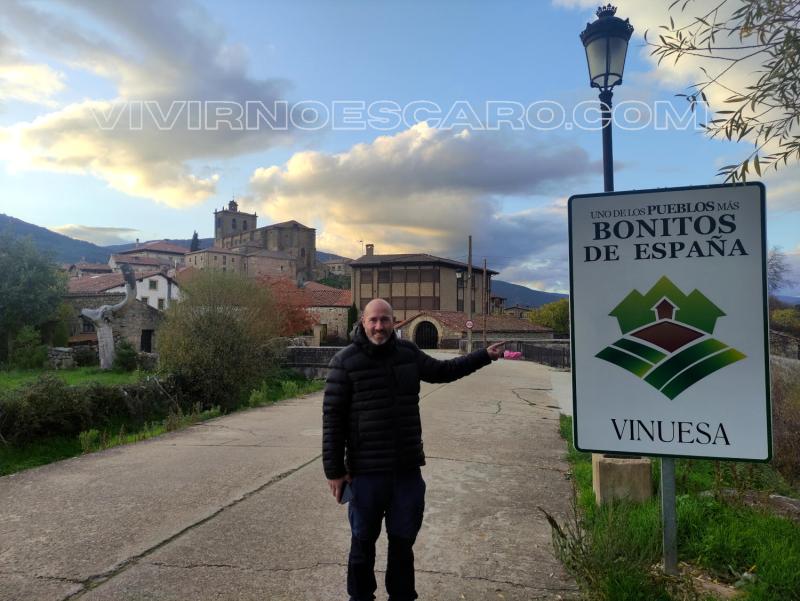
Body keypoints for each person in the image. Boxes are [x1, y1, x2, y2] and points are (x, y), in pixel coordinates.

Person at [322, 298, 505, 601]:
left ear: (394, 322)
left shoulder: (408, 353)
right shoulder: (344, 362)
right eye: (373, 320)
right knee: (362, 544)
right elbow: (332, 420)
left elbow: (444, 371)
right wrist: (334, 471)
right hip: (365, 474)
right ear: (363, 322)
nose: (379, 326)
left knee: (402, 544)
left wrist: (482, 356)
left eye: (385, 320)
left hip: (406, 472)